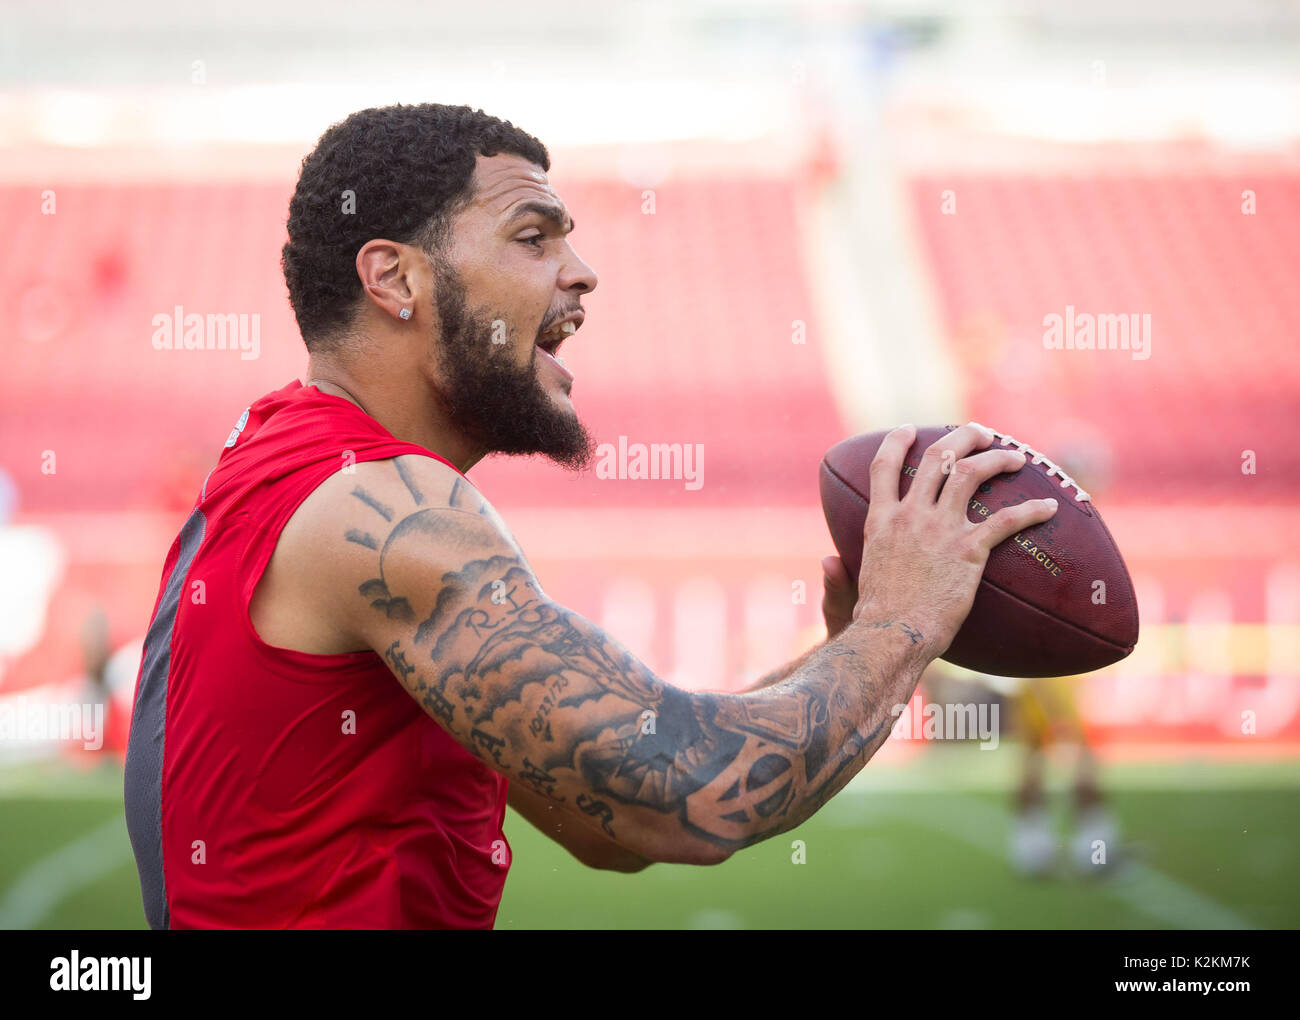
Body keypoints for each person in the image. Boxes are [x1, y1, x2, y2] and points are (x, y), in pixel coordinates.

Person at [124, 103, 1058, 929]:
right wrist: (905, 621)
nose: (583, 274)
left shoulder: (293, 464)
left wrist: (851, 647)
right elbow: (682, 798)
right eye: (534, 238)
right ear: (394, 279)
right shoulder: (385, 508)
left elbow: (606, 823)